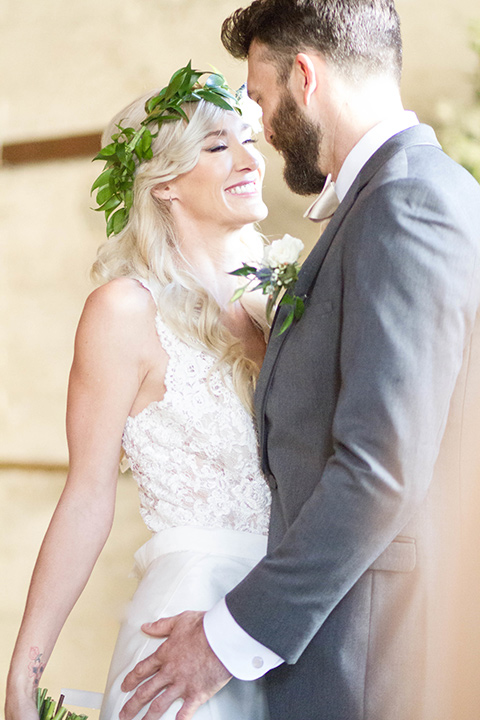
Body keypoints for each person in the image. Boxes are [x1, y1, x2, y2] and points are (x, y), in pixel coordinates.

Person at [117, 2, 480, 720]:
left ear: (304, 77)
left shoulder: (405, 203)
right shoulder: (403, 197)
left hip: (373, 666)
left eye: (258, 98)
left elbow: (381, 468)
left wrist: (222, 643)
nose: (263, 131)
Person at [5, 64, 273, 720]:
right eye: (217, 146)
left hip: (282, 623)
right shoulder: (125, 310)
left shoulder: (278, 302)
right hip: (183, 624)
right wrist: (23, 673)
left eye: (250, 142)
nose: (248, 161)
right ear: (165, 186)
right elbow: (88, 492)